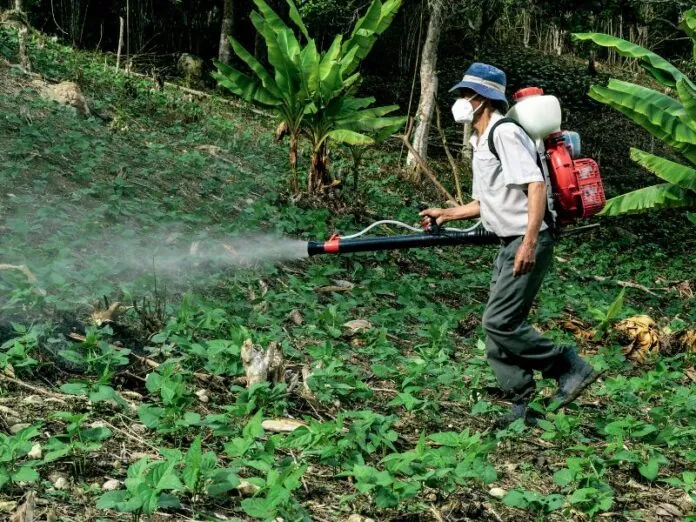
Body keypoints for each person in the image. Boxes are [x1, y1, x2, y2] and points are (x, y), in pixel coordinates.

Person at [420, 62, 599, 426]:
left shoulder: (504, 134)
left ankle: (567, 364)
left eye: (465, 95)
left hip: (527, 238)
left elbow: (535, 185)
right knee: (497, 327)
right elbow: (487, 201)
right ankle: (521, 405)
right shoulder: (479, 140)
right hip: (508, 241)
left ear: (483, 99)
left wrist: (528, 243)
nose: (459, 101)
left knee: (499, 321)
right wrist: (446, 213)